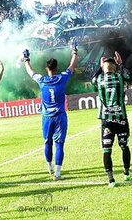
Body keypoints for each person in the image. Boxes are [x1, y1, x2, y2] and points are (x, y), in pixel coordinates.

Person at [23, 41, 78, 180]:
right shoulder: (62, 77)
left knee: (47, 142)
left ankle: (50, 167)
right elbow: (72, 66)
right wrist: (74, 52)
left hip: (47, 117)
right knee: (59, 143)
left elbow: (30, 71)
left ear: (47, 68)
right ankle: (58, 173)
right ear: (56, 67)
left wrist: (26, 59)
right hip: (60, 116)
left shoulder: (42, 79)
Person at [91, 52, 132, 187]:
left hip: (106, 120)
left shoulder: (98, 80)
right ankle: (127, 173)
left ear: (104, 67)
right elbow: (130, 77)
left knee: (107, 150)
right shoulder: (120, 77)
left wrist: (99, 67)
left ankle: (111, 180)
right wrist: (121, 64)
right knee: (124, 147)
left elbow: (93, 78)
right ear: (114, 67)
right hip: (121, 119)